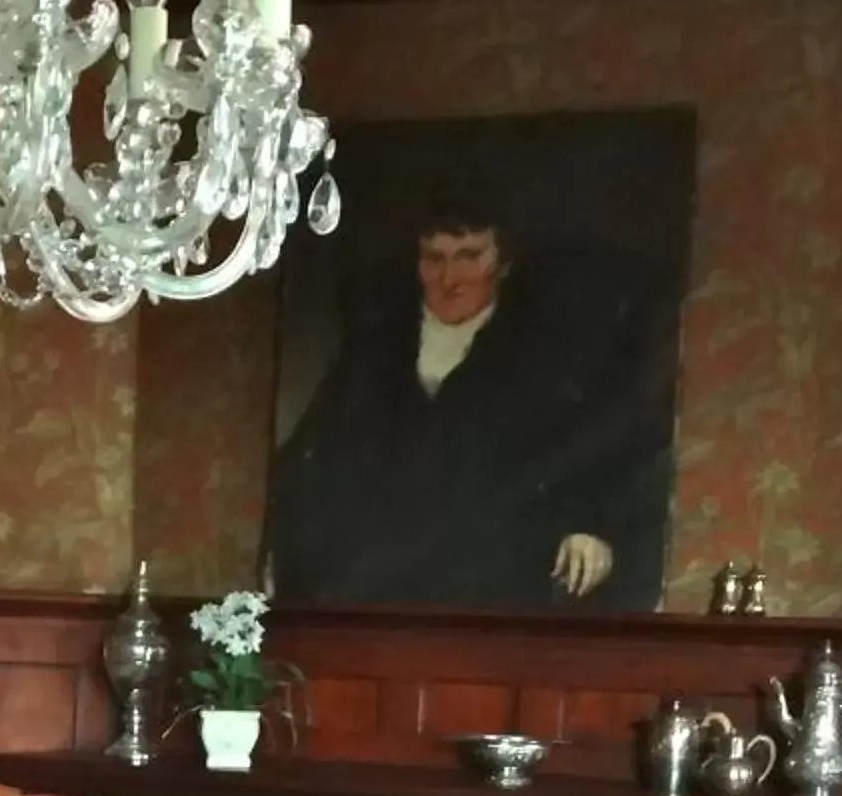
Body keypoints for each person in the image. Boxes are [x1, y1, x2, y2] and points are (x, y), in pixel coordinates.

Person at [266, 195, 676, 609]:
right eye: (434, 259)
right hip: (376, 580)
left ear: (503, 264)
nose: (451, 278)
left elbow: (596, 454)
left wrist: (592, 527)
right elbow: (311, 459)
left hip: (494, 578)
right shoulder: (375, 348)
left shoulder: (543, 355)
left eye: (469, 257)